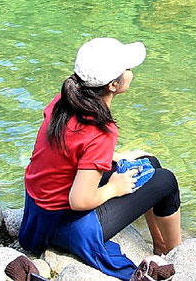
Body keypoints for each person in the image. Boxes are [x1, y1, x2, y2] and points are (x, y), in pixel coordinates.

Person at [19, 38, 182, 280]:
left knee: (150, 163)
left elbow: (67, 150)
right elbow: (79, 200)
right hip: (66, 221)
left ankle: (159, 245)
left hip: (38, 214)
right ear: (114, 85)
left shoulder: (63, 101)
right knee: (165, 180)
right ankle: (176, 253)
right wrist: (113, 188)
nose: (131, 72)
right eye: (127, 69)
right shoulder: (101, 129)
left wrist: (114, 157)